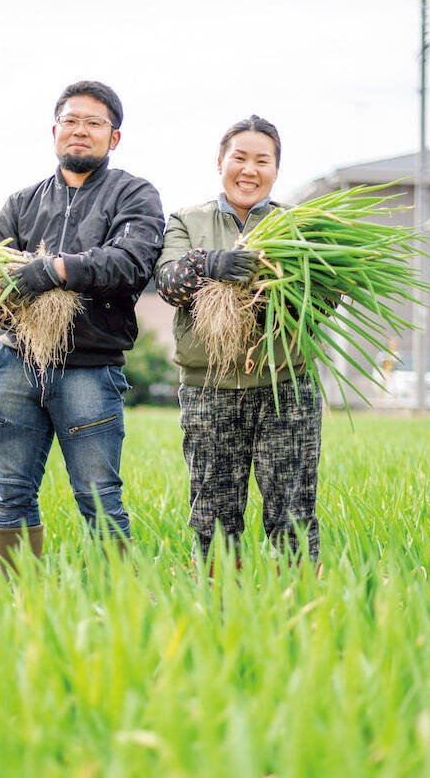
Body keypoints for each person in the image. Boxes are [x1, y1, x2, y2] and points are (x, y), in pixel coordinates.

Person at [0, 80, 164, 572]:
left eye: (94, 123)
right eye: (71, 121)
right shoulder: (22, 203)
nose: (80, 132)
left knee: (99, 496)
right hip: (18, 365)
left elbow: (130, 262)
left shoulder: (135, 194)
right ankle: (16, 602)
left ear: (114, 137)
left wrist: (55, 270)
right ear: (54, 130)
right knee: (12, 491)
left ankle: (120, 604)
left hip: (90, 368)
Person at [155, 115, 322, 569]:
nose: (249, 170)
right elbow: (168, 283)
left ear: (275, 169)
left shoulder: (300, 226)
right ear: (220, 163)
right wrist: (212, 263)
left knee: (293, 510)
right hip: (209, 386)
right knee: (213, 513)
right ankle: (220, 606)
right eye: (239, 158)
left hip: (285, 385)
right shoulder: (186, 221)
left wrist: (273, 290)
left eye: (262, 161)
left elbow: (324, 299)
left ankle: (300, 604)